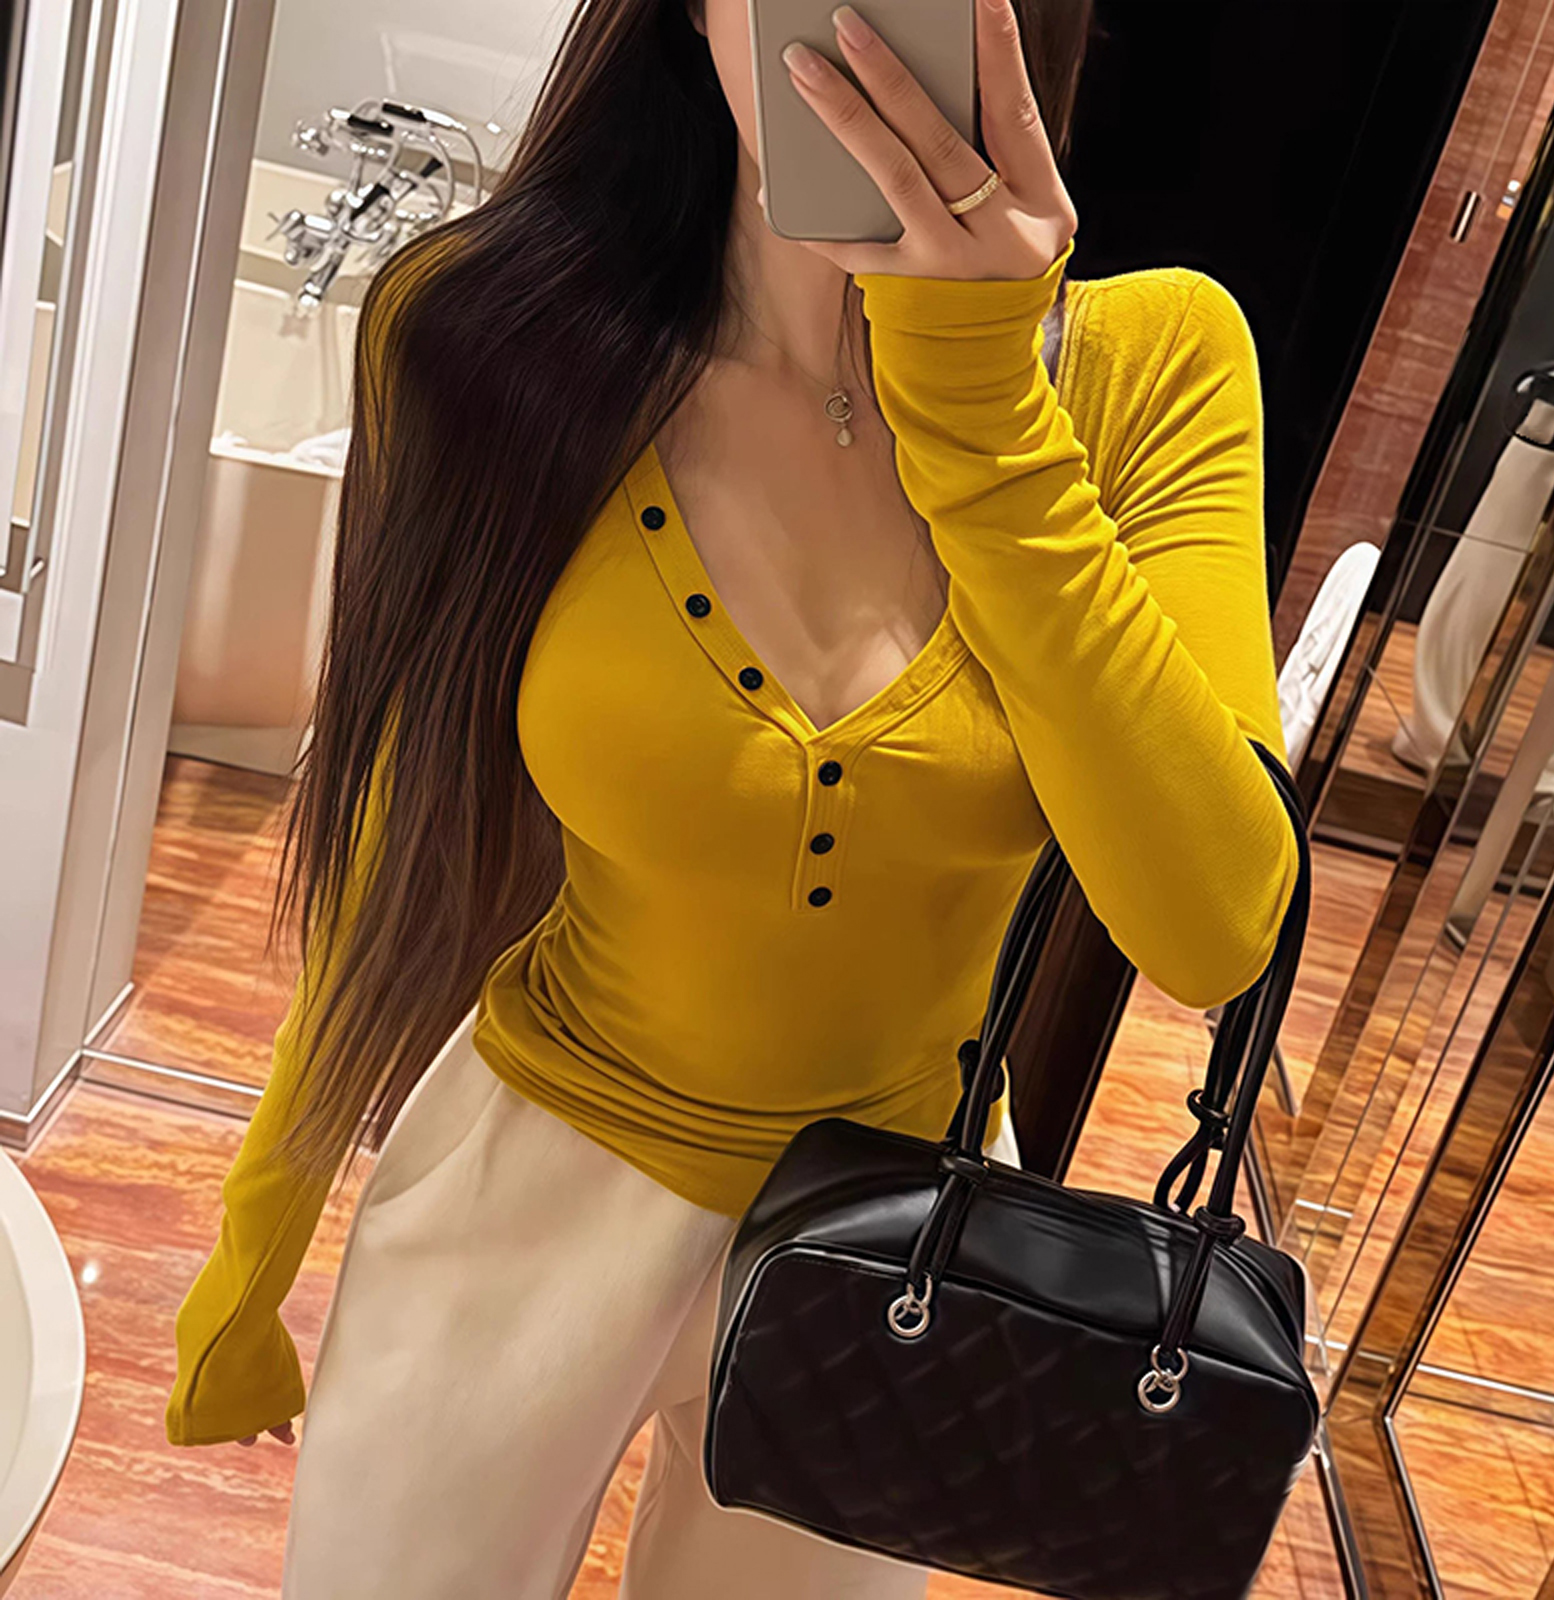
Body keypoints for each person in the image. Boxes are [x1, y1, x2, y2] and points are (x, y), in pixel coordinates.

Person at [164, 0, 1299, 1594]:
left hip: (898, 1250)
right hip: (530, 1183)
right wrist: (256, 1236)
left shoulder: (1148, 369)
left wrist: (983, 411)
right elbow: (392, 834)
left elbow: (1214, 925)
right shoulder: (494, 334)